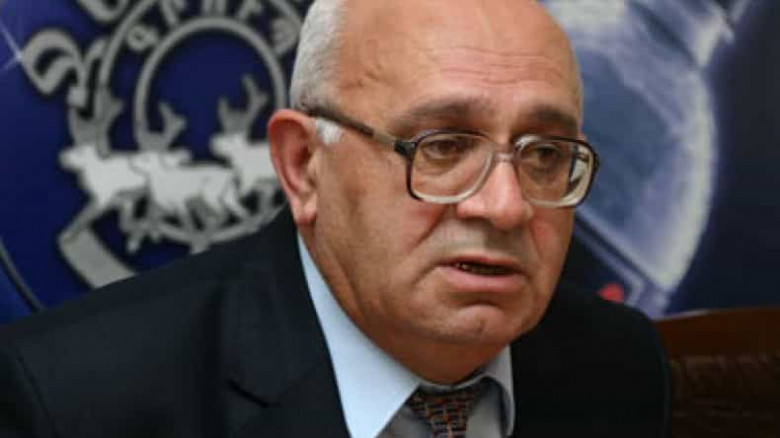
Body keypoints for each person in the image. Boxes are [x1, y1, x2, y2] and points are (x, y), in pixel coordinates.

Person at [0, 0, 669, 436]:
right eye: (442, 148)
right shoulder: (75, 401)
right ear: (303, 166)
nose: (505, 206)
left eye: (545, 155)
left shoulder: (616, 365)